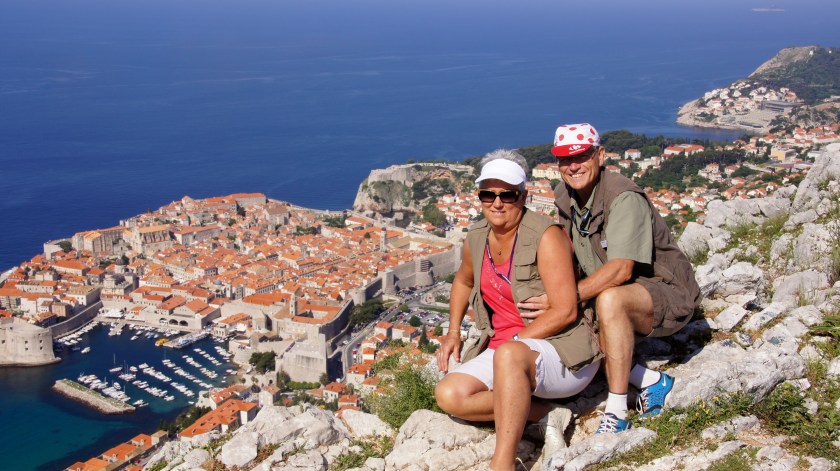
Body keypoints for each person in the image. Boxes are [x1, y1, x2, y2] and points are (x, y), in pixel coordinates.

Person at [519, 123, 701, 433]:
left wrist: (565, 298)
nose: (573, 166)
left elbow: (621, 270)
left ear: (600, 155)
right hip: (613, 291)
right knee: (565, 311)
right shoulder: (566, 196)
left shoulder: (623, 197)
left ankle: (617, 412)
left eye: (582, 156)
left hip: (665, 293)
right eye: (565, 159)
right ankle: (651, 380)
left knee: (609, 300)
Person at [435, 150, 602, 471]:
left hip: (562, 351)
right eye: (488, 194)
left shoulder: (546, 237)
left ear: (523, 196)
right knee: (449, 394)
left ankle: (503, 464)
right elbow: (463, 280)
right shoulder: (476, 237)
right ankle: (547, 415)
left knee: (509, 354)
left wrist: (514, 345)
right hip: (507, 349)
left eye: (507, 195)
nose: (497, 203)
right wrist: (453, 332)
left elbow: (566, 311)